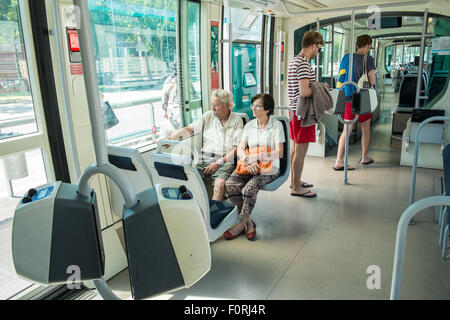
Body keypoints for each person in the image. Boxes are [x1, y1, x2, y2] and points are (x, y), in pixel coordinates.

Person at [224, 94, 285, 241]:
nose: (253, 108)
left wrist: (257, 158)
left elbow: (280, 153)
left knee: (248, 189)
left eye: (257, 106)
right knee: (230, 184)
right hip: (248, 165)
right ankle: (249, 222)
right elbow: (240, 149)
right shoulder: (249, 126)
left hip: (268, 167)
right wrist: (247, 160)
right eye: (253, 105)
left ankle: (241, 224)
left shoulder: (276, 126)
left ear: (268, 109)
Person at [166, 89, 243, 201]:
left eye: (215, 105)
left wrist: (218, 163)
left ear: (226, 105)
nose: (212, 108)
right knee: (186, 180)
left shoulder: (237, 120)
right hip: (203, 158)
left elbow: (237, 148)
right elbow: (190, 129)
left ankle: (213, 217)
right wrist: (171, 138)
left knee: (219, 185)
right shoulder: (208, 116)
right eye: (212, 104)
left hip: (224, 160)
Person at [287, 31, 326, 198]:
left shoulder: (294, 61)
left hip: (294, 113)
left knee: (295, 148)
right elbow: (304, 91)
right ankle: (296, 187)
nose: (318, 52)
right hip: (303, 114)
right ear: (314, 45)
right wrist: (321, 87)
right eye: (318, 48)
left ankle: (294, 181)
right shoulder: (303, 64)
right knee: (301, 151)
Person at [333, 34, 376, 170]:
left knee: (347, 129)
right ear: (368, 45)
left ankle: (339, 160)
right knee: (365, 129)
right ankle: (364, 157)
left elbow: (341, 76)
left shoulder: (346, 57)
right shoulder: (368, 59)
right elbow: (372, 81)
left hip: (347, 96)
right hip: (361, 97)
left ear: (357, 44)